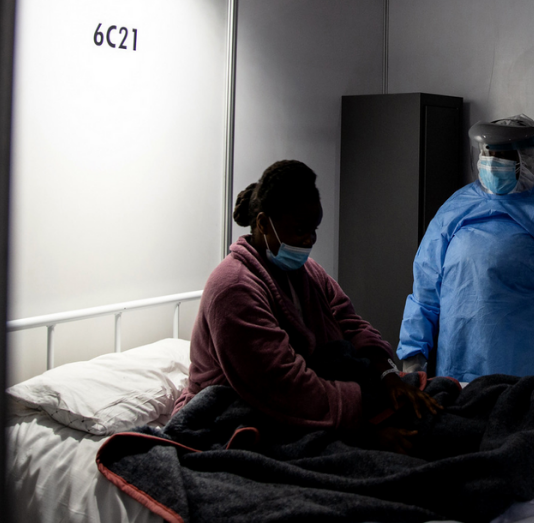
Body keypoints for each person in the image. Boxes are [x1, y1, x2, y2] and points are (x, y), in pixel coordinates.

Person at [174, 159, 439, 435]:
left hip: (314, 400)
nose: (309, 240)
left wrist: (388, 375)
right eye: (300, 230)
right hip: (234, 411)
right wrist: (365, 431)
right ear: (263, 224)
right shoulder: (233, 289)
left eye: (314, 230)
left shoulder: (309, 273)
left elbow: (352, 325)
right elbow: (280, 384)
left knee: (434, 411)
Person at [398, 115, 534, 393]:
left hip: (533, 384)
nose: (492, 161)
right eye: (488, 154)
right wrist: (413, 357)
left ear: (527, 159)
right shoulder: (455, 209)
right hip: (457, 378)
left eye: (503, 155)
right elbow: (425, 292)